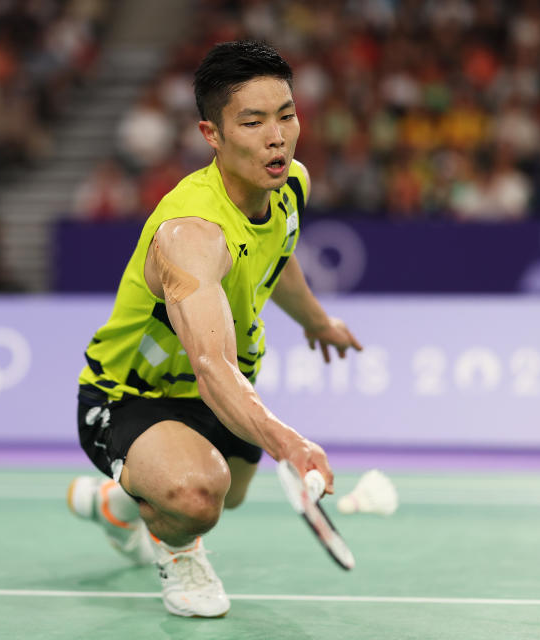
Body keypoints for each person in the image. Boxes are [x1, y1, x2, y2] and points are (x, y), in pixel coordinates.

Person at [67, 40, 362, 618]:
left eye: (287, 114)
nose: (277, 136)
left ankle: (119, 503)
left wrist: (319, 322)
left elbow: (278, 259)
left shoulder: (290, 184)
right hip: (132, 393)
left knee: (232, 492)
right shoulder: (191, 235)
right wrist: (291, 444)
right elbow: (212, 368)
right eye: (252, 121)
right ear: (213, 135)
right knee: (198, 494)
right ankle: (178, 555)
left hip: (219, 389)